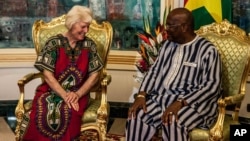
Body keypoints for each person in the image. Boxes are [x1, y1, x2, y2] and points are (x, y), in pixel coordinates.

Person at [126, 7, 222, 141]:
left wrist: (181, 102)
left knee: (172, 120)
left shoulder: (207, 50)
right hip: (162, 99)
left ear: (184, 27)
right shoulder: (167, 45)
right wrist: (142, 94)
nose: (166, 30)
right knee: (136, 114)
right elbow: (154, 71)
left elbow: (212, 86)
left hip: (194, 104)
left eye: (170, 26)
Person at [21, 5, 103, 141]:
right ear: (72, 24)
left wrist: (77, 94)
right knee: (42, 112)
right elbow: (47, 75)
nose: (86, 31)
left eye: (88, 27)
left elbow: (95, 75)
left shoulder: (89, 45)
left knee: (69, 112)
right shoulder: (53, 44)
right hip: (51, 91)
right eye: (83, 26)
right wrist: (65, 95)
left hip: (79, 93)